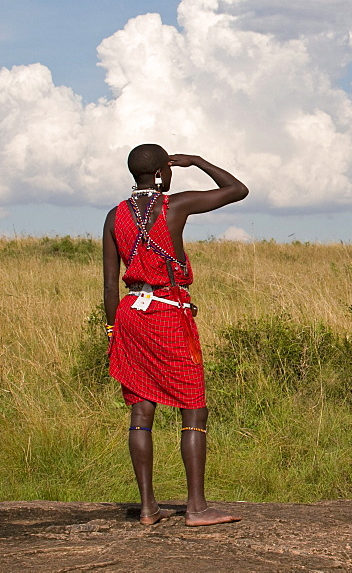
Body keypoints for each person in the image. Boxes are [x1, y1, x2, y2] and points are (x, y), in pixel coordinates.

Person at [102, 144, 248, 526]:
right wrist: (196, 161)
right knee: (193, 406)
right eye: (168, 170)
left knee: (142, 407)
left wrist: (112, 332)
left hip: (129, 316)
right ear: (162, 172)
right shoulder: (175, 206)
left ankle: (148, 508)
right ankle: (197, 508)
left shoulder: (114, 216)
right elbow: (237, 190)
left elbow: (108, 287)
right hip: (168, 314)